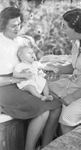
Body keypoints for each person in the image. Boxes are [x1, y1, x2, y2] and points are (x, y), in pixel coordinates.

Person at [0, 7, 61, 150]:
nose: (17, 28)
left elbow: (32, 62)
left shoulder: (21, 41)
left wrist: (41, 72)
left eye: (19, 24)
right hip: (5, 87)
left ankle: (46, 146)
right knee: (43, 111)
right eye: (13, 26)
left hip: (26, 81)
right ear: (3, 24)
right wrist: (16, 80)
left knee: (56, 106)